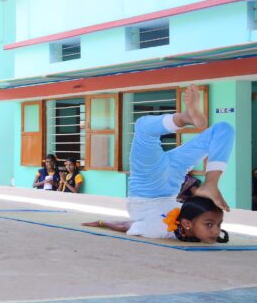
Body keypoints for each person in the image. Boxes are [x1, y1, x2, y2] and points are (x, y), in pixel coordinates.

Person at [83, 86, 233, 243]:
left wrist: (102, 222)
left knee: (144, 128)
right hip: (173, 183)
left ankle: (184, 118)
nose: (216, 231)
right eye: (215, 224)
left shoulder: (158, 230)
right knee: (223, 129)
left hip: (147, 189)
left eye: (211, 224)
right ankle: (211, 183)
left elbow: (126, 225)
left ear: (187, 224)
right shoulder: (185, 221)